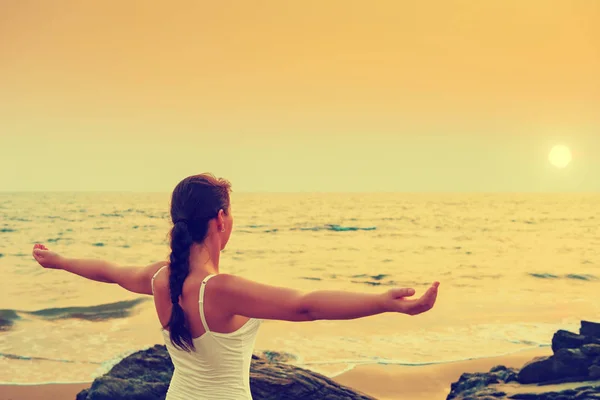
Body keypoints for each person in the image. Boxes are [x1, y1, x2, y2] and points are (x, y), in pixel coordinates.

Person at [32, 173, 440, 400]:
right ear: (221, 220)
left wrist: (59, 261)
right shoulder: (220, 290)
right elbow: (306, 305)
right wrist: (383, 302)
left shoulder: (161, 277)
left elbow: (109, 270)